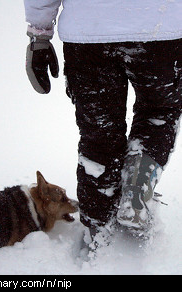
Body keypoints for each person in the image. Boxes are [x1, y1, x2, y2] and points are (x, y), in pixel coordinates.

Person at [24, 0, 182, 248]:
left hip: (88, 34)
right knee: (158, 112)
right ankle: (136, 187)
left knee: (99, 133)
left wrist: (39, 35)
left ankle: (98, 228)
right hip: (161, 30)